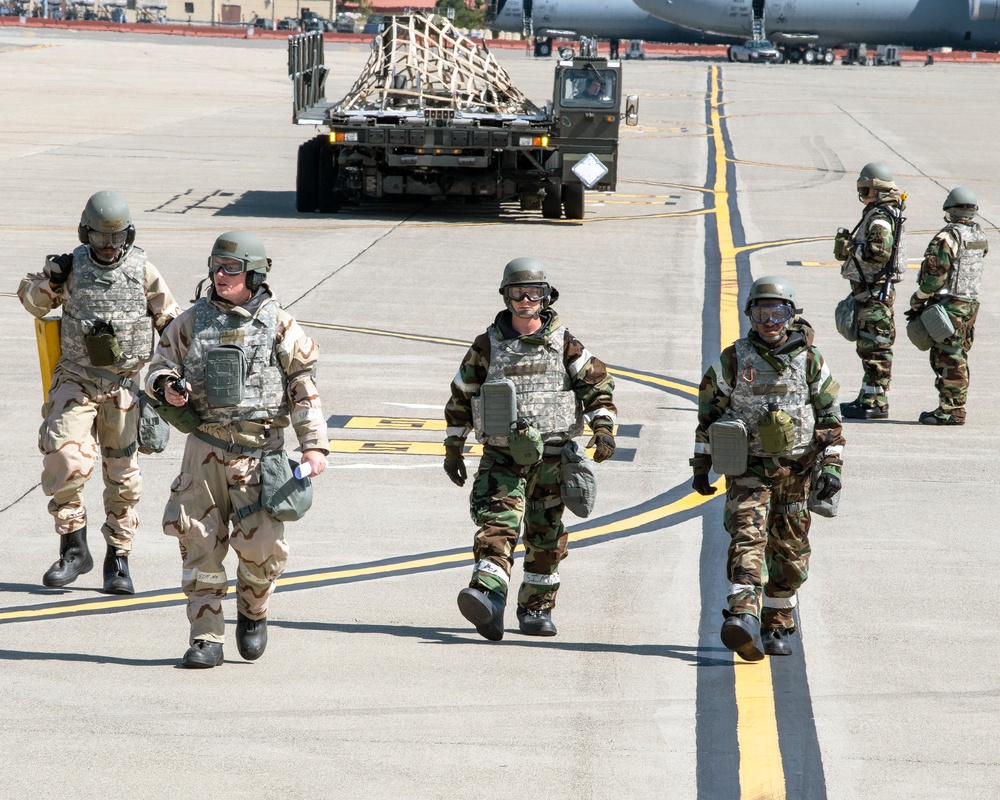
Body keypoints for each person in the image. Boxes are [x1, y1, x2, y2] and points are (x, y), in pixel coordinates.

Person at [145, 231, 328, 669]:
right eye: (216, 267)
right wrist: (168, 387)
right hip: (204, 451)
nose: (221, 275)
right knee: (199, 544)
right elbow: (158, 367)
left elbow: (303, 388)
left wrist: (314, 446)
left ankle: (254, 610)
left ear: (254, 273)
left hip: (259, 455)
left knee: (263, 549)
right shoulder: (190, 321)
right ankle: (206, 636)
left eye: (231, 269)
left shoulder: (279, 324)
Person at [444, 258, 617, 641]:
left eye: (533, 292)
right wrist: (453, 449)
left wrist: (603, 429)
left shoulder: (567, 344)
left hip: (553, 460)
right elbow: (462, 396)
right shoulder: (486, 345)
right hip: (503, 458)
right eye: (517, 293)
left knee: (546, 535)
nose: (525, 300)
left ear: (546, 296)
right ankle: (488, 598)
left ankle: (537, 607)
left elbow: (597, 388)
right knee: (497, 527)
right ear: (506, 297)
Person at [17, 190, 180, 595]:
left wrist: (176, 373)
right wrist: (52, 280)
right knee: (65, 459)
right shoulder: (71, 268)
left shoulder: (144, 270)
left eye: (116, 237)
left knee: (122, 477)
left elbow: (173, 324)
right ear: (84, 233)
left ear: (129, 235)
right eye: (99, 238)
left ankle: (118, 558)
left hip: (124, 387)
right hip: (77, 380)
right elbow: (33, 303)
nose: (108, 247)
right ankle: (74, 547)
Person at [690, 277, 844, 660]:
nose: (769, 321)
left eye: (778, 312)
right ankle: (742, 613)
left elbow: (829, 417)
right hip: (748, 470)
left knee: (789, 553)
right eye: (761, 312)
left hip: (798, 471)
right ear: (750, 315)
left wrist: (832, 468)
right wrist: (701, 463)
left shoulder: (811, 360)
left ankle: (777, 624)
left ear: (791, 316)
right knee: (748, 536)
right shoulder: (733, 360)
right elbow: (708, 414)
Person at [906, 187, 989, 425]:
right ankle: (952, 407)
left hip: (949, 305)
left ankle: (952, 410)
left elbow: (935, 275)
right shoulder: (978, 235)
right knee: (958, 354)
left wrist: (919, 297)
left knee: (948, 357)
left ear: (949, 209)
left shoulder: (948, 237)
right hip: (969, 305)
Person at [836, 162, 907, 420]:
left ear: (878, 190)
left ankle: (876, 404)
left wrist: (850, 249)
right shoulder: (882, 213)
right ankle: (868, 397)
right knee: (868, 348)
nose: (863, 195)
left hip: (873, 294)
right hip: (870, 293)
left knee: (875, 349)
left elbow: (879, 252)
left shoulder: (880, 218)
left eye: (866, 190)